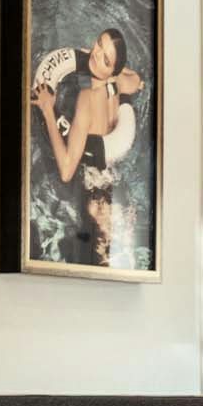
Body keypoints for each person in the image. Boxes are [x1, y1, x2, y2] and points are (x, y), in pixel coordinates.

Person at [30, 29, 142, 265]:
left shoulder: (87, 98)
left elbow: (67, 170)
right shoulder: (119, 83)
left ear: (112, 69)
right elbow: (137, 82)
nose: (95, 53)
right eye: (98, 44)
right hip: (113, 185)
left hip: (92, 196)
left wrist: (48, 110)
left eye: (105, 58)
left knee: (92, 261)